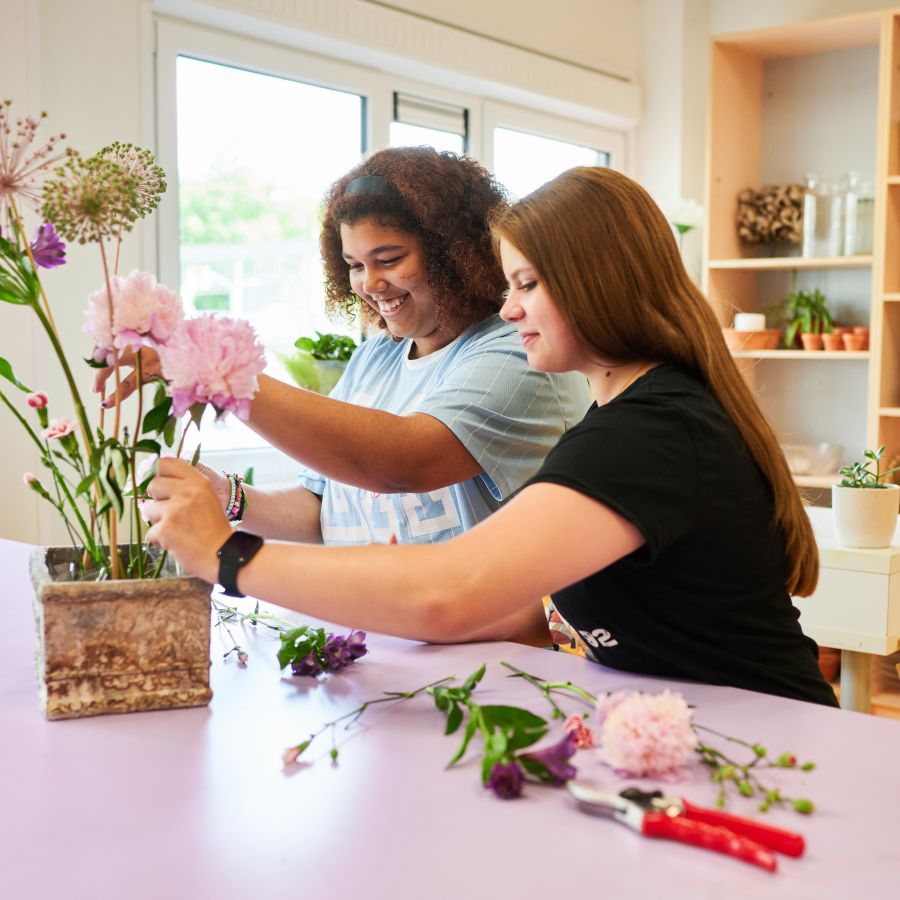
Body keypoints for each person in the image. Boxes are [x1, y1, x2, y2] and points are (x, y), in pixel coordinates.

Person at [144, 166, 838, 707]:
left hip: (772, 737)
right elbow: (494, 602)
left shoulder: (653, 431)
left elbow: (452, 586)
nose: (508, 309)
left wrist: (227, 555)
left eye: (528, 284)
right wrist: (390, 591)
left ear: (599, 283)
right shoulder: (624, 419)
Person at [98, 146, 590, 547]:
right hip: (376, 641)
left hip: (484, 655)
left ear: (453, 256)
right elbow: (323, 511)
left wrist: (215, 372)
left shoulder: (518, 355)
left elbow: (403, 461)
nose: (370, 283)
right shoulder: (374, 357)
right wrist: (226, 496)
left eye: (389, 259)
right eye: (354, 265)